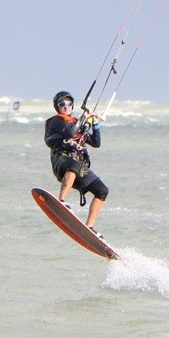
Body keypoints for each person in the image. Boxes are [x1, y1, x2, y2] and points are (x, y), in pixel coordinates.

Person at [44, 90, 109, 236]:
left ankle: (89, 228)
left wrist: (95, 123)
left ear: (73, 106)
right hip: (61, 162)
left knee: (102, 191)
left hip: (78, 167)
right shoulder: (56, 121)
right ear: (58, 107)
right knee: (74, 164)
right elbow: (70, 132)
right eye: (62, 104)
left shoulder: (77, 124)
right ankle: (61, 200)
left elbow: (96, 143)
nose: (66, 106)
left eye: (69, 104)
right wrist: (84, 117)